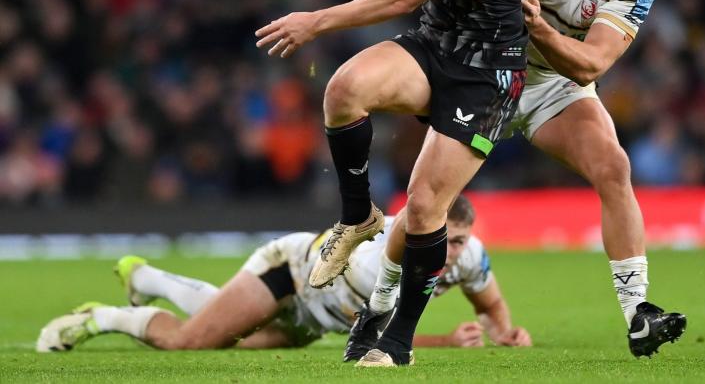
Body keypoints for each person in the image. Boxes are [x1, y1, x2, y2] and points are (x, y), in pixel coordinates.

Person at [254, 0, 527, 367]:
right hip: (436, 44)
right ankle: (358, 217)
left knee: (426, 208)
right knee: (344, 88)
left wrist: (316, 21)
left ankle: (394, 342)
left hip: (487, 72)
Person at [383, 0, 686, 359]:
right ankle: (379, 304)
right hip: (485, 68)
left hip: (552, 83)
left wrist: (540, 28)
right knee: (427, 201)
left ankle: (638, 313)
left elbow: (590, 65)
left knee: (614, 167)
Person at [36, 196, 532, 354]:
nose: (450, 248)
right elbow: (378, 335)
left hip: (317, 322)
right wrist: (448, 341)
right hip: (293, 274)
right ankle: (106, 318)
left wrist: (506, 333)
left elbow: (490, 305)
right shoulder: (382, 259)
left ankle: (146, 278)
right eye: (442, 234)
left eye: (461, 239)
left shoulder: (469, 256)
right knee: (193, 342)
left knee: (223, 335)